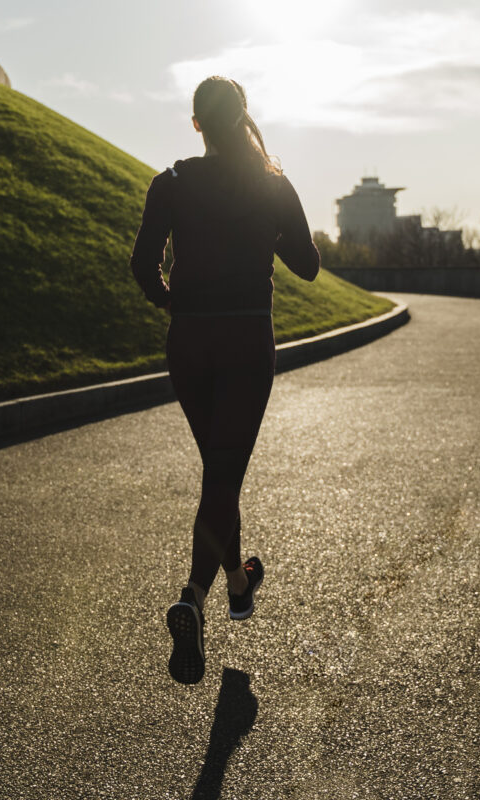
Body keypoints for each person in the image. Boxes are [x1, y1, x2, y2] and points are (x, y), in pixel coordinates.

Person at [130, 75, 320, 685]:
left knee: (220, 470)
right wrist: (275, 217)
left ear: (196, 126)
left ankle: (239, 582)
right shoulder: (270, 183)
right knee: (222, 475)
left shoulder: (172, 183)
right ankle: (192, 597)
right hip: (244, 341)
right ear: (243, 118)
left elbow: (142, 264)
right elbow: (308, 267)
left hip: (188, 343)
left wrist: (175, 305)